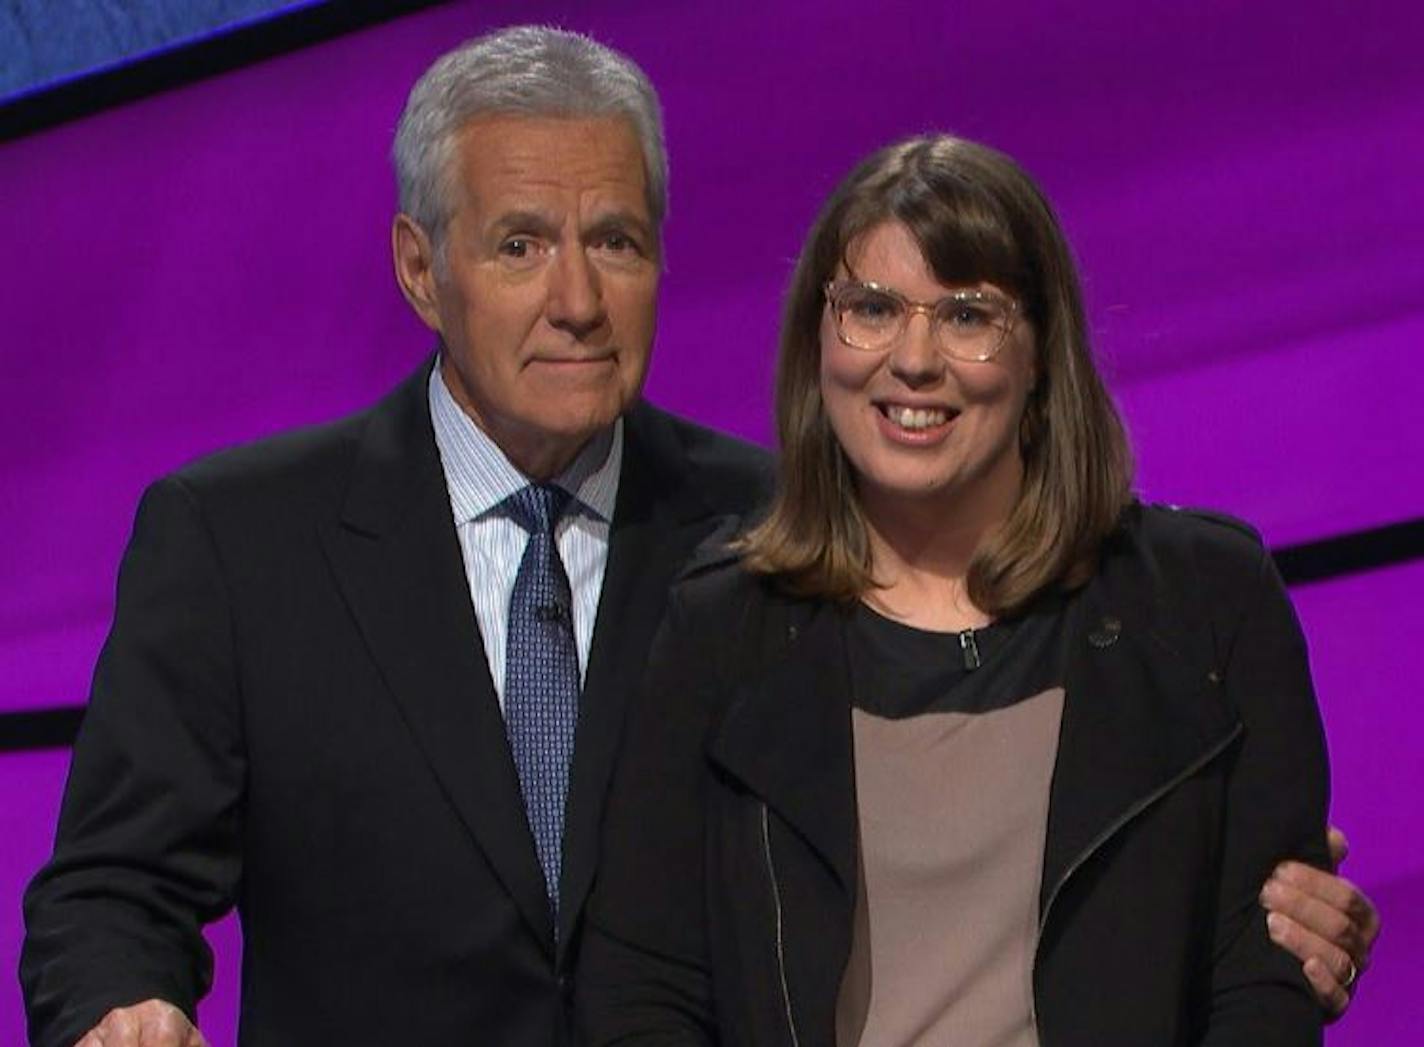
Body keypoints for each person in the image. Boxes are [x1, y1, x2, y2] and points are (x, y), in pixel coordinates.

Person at [18, 27, 1377, 1047]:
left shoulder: (784, 532)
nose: (577, 298)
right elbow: (109, 888)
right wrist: (120, 1006)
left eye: (616, 240)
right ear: (420, 269)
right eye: (519, 246)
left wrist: (1258, 909)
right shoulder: (238, 536)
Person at [579, 134, 1377, 1046]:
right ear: (818, 341)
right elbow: (642, 987)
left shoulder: (1204, 602)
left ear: (1040, 358)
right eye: (871, 308)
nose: (913, 360)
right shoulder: (721, 626)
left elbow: (1267, 973)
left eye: (966, 316)